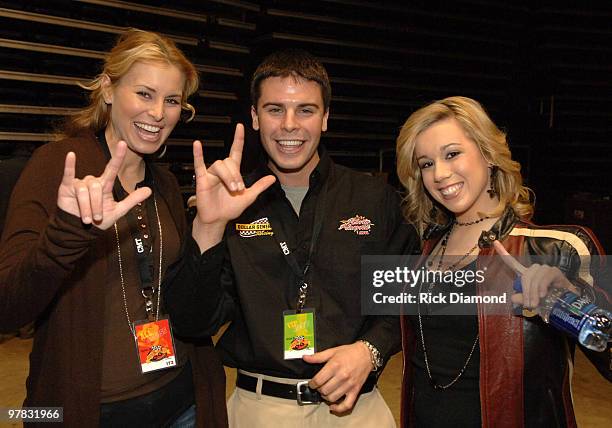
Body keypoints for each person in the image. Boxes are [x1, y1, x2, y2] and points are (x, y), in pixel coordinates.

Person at [164, 49, 419, 427]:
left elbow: (408, 296)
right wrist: (208, 227)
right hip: (258, 408)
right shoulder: (229, 204)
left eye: (305, 110)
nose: (289, 125)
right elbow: (192, 323)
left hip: (356, 410)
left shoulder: (373, 198)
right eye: (274, 109)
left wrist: (371, 351)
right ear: (254, 117)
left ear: (325, 118)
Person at [0, 29, 227, 427]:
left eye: (172, 100)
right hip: (85, 411)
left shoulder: (167, 183)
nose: (158, 113)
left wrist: (210, 231)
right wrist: (67, 232)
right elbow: (7, 307)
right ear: (107, 90)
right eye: (144, 93)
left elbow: (189, 307)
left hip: (181, 403)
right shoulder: (54, 166)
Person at [395, 96, 611, 427]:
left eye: (452, 154)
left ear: (488, 154)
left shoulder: (558, 248)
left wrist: (574, 304)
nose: (439, 173)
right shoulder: (425, 249)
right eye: (426, 164)